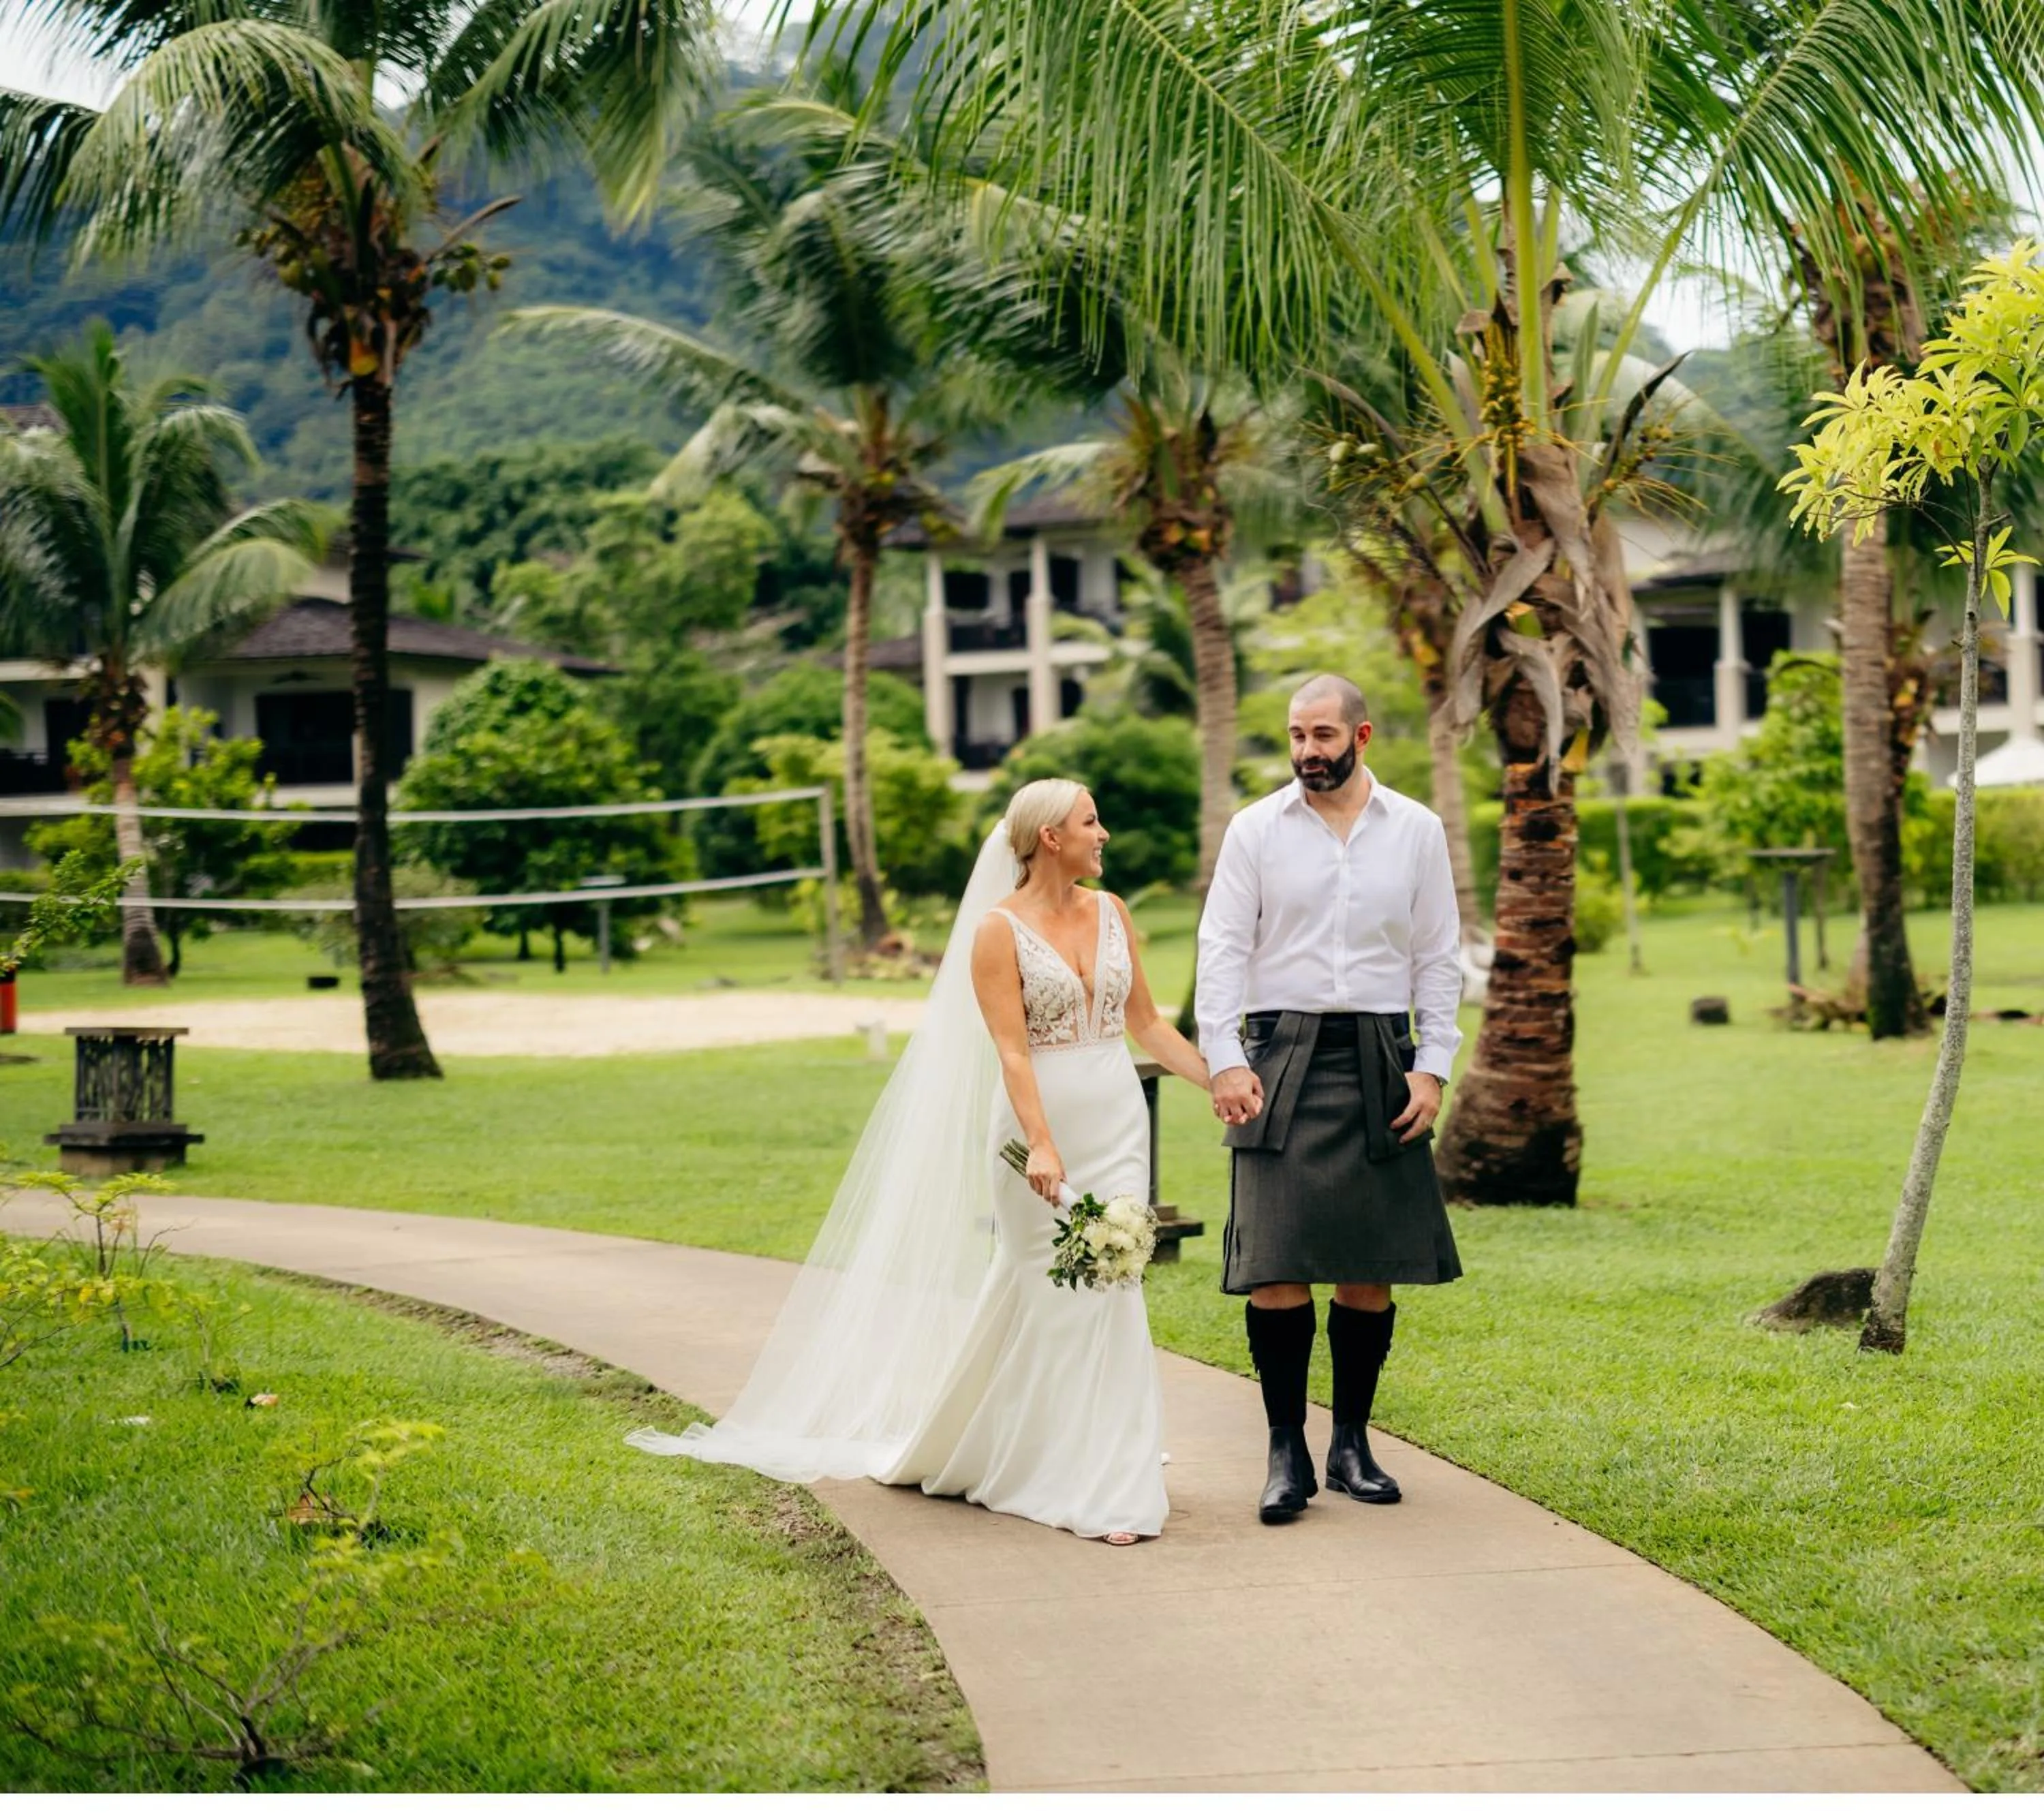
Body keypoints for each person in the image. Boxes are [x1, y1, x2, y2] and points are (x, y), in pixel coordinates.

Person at [630, 778, 1209, 1546]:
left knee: (1113, 1284)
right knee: (1055, 1290)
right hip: (1038, 1129)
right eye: (1090, 821)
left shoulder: (1114, 913)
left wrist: (1221, 1080)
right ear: (1049, 838)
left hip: (1116, 1123)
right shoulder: (998, 932)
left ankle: (1100, 1455)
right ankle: (1083, 1473)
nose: (1104, 834)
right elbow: (1010, 1047)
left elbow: (1145, 1027)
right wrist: (1040, 1140)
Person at [1196, 675, 1465, 1525]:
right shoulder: (1255, 830)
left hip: (1382, 1052)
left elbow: (1439, 956)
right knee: (1274, 1259)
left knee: (1369, 1263)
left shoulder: (1417, 830)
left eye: (1322, 734)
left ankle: (1351, 1443)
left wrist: (1432, 1066)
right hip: (1279, 1052)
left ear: (1362, 735)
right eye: (1296, 736)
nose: (1307, 750)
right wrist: (1226, 1059)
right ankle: (1287, 1452)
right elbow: (1222, 948)